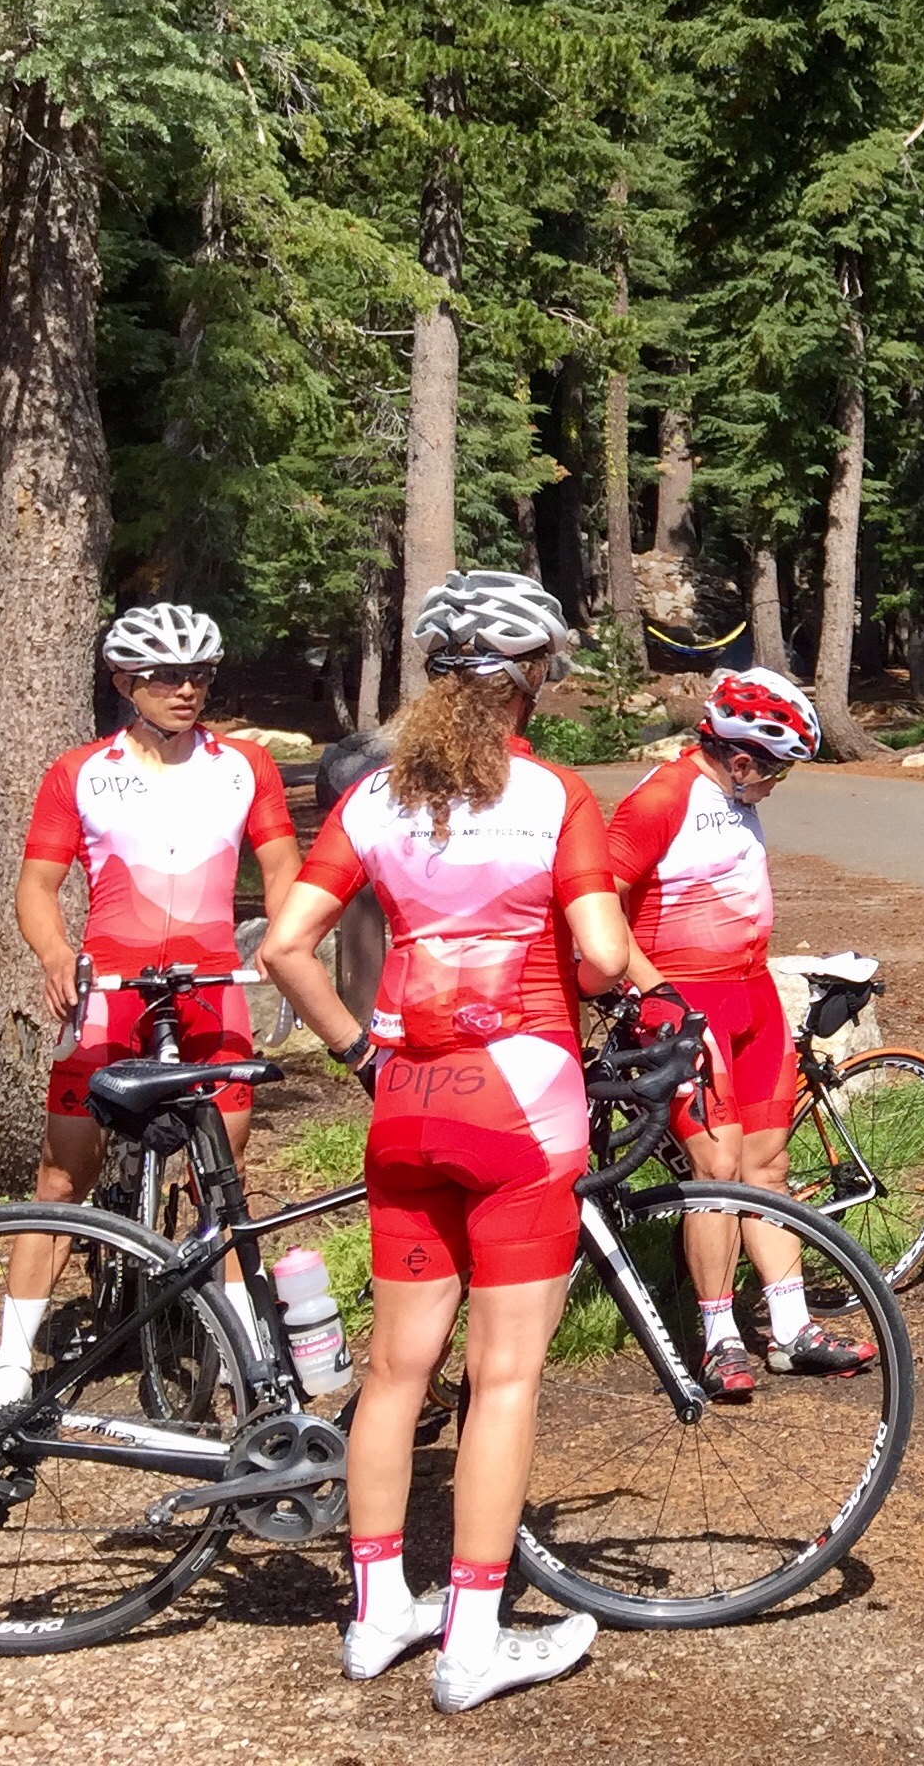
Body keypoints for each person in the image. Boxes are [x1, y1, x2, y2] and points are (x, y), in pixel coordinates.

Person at [255, 571, 682, 1712]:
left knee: (394, 1374)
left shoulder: (373, 798)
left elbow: (285, 947)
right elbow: (603, 958)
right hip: (522, 1107)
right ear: (528, 682)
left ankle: (375, 1614)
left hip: (406, 1104)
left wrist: (359, 1054)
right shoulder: (552, 795)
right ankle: (474, 1640)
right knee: (503, 1377)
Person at [0, 606, 302, 1415]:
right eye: (165, 676)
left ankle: (246, 1355)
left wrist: (282, 941)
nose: (186, 690)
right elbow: (37, 885)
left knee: (222, 1171)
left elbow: (282, 868)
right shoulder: (80, 772)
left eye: (199, 675)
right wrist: (56, 954)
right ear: (126, 683)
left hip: (212, 985)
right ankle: (9, 1365)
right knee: (63, 1174)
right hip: (110, 989)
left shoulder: (247, 766)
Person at [607, 667, 876, 1397]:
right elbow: (594, 904)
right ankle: (719, 1337)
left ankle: (790, 1330)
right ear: (740, 759)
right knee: (716, 1172)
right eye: (775, 772)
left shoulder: (731, 794)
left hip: (750, 994)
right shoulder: (661, 799)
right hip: (683, 1004)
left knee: (768, 1168)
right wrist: (651, 991)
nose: (777, 787)